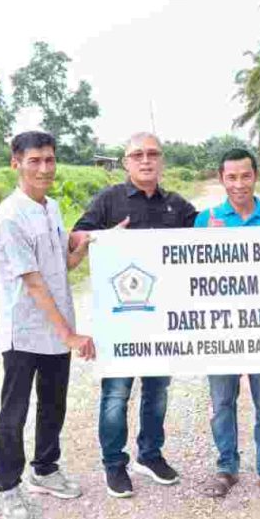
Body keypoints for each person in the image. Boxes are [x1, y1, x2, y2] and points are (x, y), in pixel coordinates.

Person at [70, 132, 198, 498]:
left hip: (163, 319)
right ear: (125, 163)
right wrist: (102, 236)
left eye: (153, 154)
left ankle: (150, 454)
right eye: (137, 155)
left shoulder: (177, 206)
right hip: (120, 320)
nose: (146, 160)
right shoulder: (109, 200)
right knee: (116, 393)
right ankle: (114, 464)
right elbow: (76, 236)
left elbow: (208, 239)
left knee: (157, 391)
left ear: (162, 161)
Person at [0, 131, 96, 519]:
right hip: (25, 331)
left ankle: (46, 470)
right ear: (15, 163)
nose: (44, 168)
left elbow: (60, 266)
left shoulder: (50, 208)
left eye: (49, 160)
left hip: (57, 325)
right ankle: (7, 487)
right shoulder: (9, 217)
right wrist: (69, 334)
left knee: (54, 403)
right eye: (34, 161)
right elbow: (33, 282)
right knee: (14, 411)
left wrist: (82, 248)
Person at [194, 148, 260, 500]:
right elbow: (192, 277)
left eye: (245, 176)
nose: (239, 184)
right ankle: (226, 468)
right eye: (231, 177)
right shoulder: (205, 221)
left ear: (255, 176)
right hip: (219, 331)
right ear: (221, 179)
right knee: (222, 404)